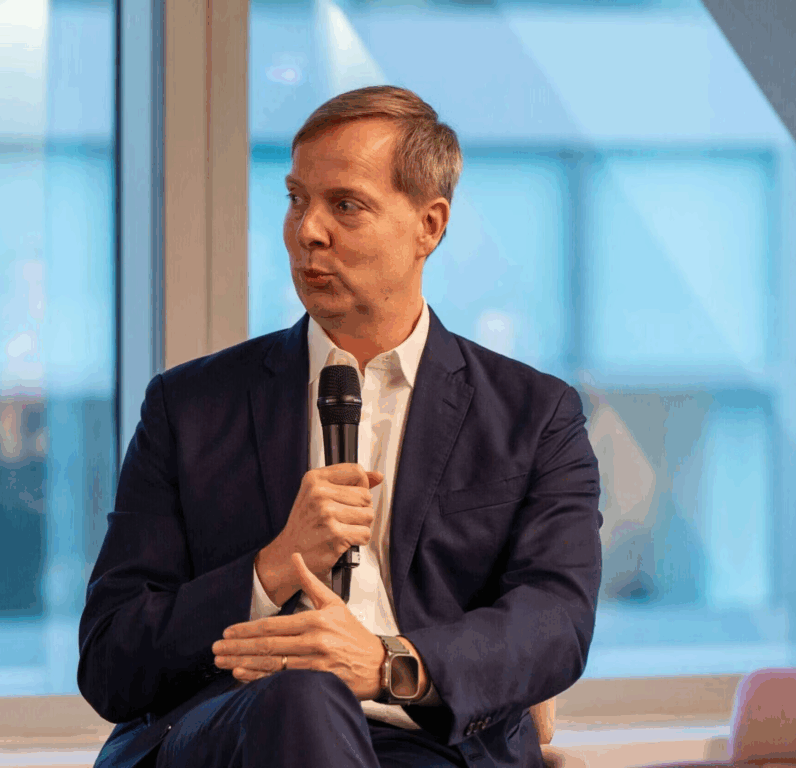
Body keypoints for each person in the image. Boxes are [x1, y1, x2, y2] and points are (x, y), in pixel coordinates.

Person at [78, 85, 603, 768]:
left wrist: (389, 663)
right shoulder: (190, 405)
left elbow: (555, 623)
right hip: (230, 735)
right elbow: (110, 657)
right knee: (305, 696)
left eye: (345, 205)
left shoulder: (534, 415)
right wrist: (269, 569)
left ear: (429, 226)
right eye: (297, 199)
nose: (307, 231)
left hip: (431, 745)